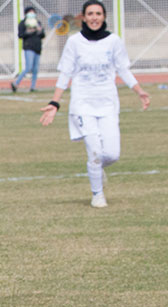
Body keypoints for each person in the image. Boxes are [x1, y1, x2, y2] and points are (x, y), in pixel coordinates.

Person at [39, 0, 150, 208]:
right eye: (90, 13)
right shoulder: (74, 42)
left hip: (108, 104)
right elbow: (65, 74)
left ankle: (97, 169)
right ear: (83, 17)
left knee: (112, 154)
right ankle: (97, 194)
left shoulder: (114, 41)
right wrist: (55, 102)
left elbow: (123, 69)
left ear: (104, 17)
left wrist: (139, 91)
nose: (94, 17)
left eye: (98, 13)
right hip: (82, 105)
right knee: (95, 151)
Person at [11, 6, 45, 92]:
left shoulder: (38, 23)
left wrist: (39, 30)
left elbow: (42, 35)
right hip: (29, 47)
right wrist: (29, 32)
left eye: (33, 12)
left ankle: (33, 87)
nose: (32, 14)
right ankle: (16, 83)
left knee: (35, 69)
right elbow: (21, 35)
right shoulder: (23, 23)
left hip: (37, 47)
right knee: (28, 67)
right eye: (30, 12)